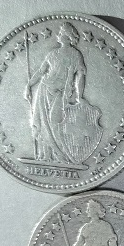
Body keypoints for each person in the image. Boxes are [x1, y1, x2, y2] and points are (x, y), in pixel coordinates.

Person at [24, 22, 87, 163]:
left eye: (61, 33)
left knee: (55, 122)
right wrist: (28, 85)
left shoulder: (75, 55)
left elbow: (80, 75)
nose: (58, 35)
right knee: (42, 122)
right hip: (44, 89)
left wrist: (79, 96)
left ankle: (60, 155)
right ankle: (46, 156)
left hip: (61, 93)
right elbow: (41, 72)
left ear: (67, 36)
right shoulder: (52, 54)